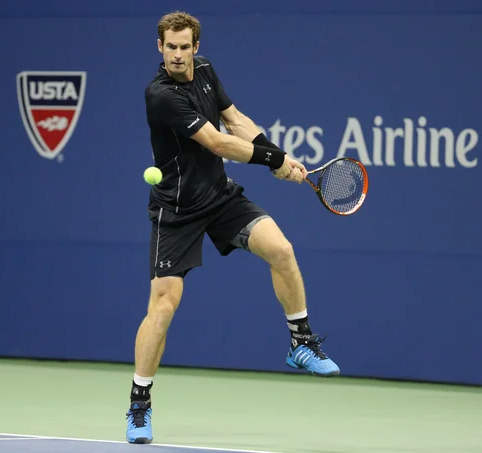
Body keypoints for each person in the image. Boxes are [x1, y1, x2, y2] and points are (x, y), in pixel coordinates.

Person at [125, 11, 340, 444]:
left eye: (186, 47)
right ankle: (139, 404)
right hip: (177, 209)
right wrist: (273, 163)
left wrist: (278, 154)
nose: (179, 55)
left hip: (219, 196)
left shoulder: (204, 72)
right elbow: (218, 142)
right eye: (172, 47)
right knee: (164, 306)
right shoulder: (160, 95)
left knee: (281, 249)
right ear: (160, 48)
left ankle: (300, 342)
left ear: (196, 48)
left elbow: (235, 119)